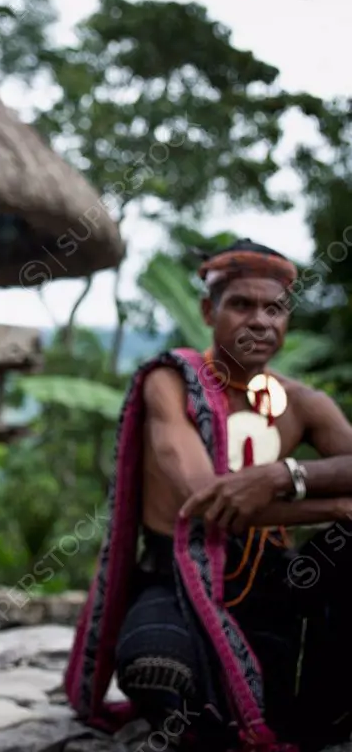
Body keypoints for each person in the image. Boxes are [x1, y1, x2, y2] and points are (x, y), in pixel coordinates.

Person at [64, 239, 352, 751]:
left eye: (275, 308)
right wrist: (332, 505)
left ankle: (313, 715)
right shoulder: (169, 382)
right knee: (157, 669)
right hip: (176, 575)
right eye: (241, 305)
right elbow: (208, 499)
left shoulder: (302, 401)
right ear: (207, 310)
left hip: (273, 576)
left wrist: (283, 475)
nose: (260, 321)